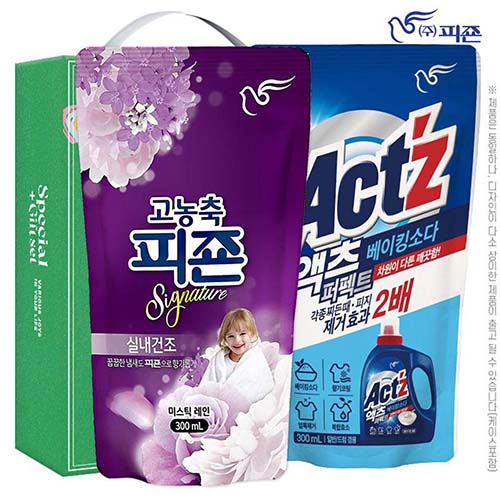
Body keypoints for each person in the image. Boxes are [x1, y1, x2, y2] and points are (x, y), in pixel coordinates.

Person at [200, 308, 275, 403]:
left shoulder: (256, 359)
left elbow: (264, 387)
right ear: (225, 339)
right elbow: (206, 386)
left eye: (242, 334)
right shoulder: (218, 361)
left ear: (252, 334)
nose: (237, 340)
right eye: (231, 336)